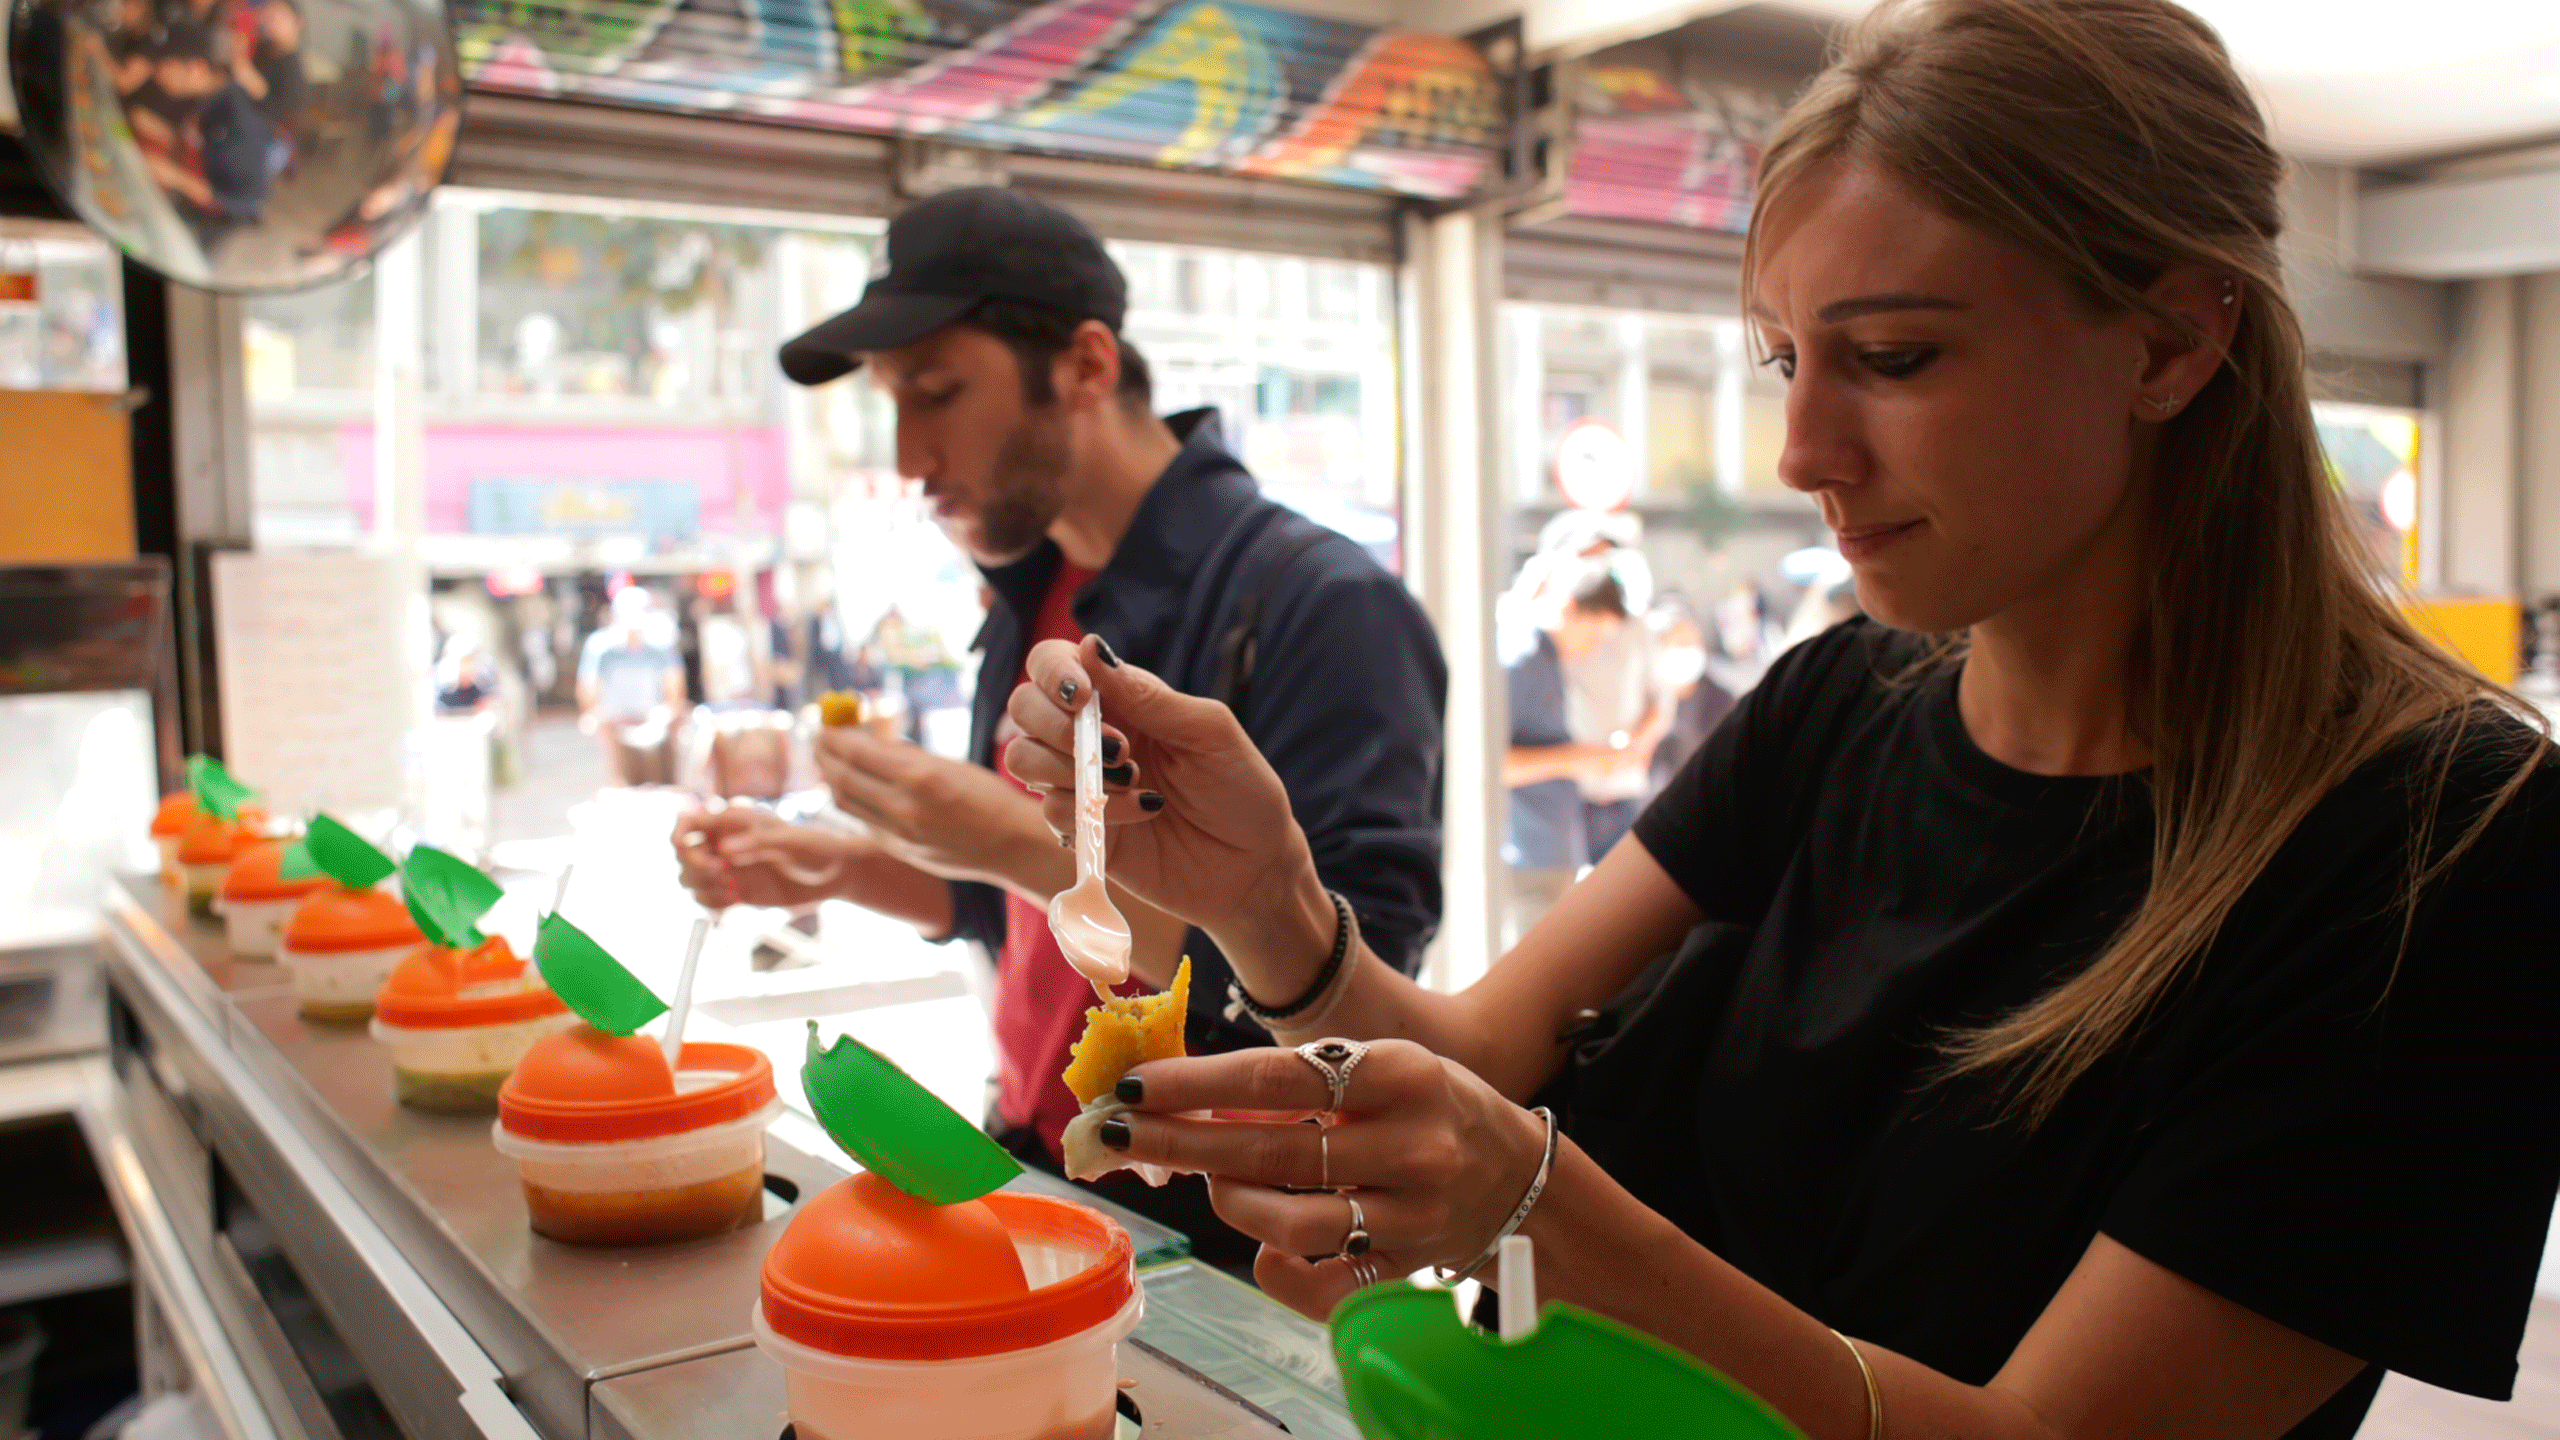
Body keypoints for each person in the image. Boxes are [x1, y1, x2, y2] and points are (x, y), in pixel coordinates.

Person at [996, 2, 2560, 1436]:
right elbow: (1480, 1061)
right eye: (1789, 361)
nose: (1805, 447)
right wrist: (1270, 904)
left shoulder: (2437, 843)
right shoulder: (1841, 702)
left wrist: (1535, 1206)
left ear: (2169, 343)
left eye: (1894, 358)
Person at [670, 187, 1445, 1262]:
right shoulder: (1031, 595)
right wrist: (847, 870)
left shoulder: (1320, 605)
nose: (908, 456)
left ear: (1085, 365)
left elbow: (1353, 1007)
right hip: (1039, 1151)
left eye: (937, 394)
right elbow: (1024, 925)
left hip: (1228, 1227)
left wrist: (1009, 837)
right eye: (892, 404)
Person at [577, 586, 685, 785]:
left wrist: (668, 711)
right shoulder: (601, 646)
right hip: (616, 720)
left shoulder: (661, 644)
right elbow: (588, 685)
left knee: (664, 770)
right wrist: (594, 714)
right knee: (621, 775)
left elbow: (674, 683)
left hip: (652, 717)